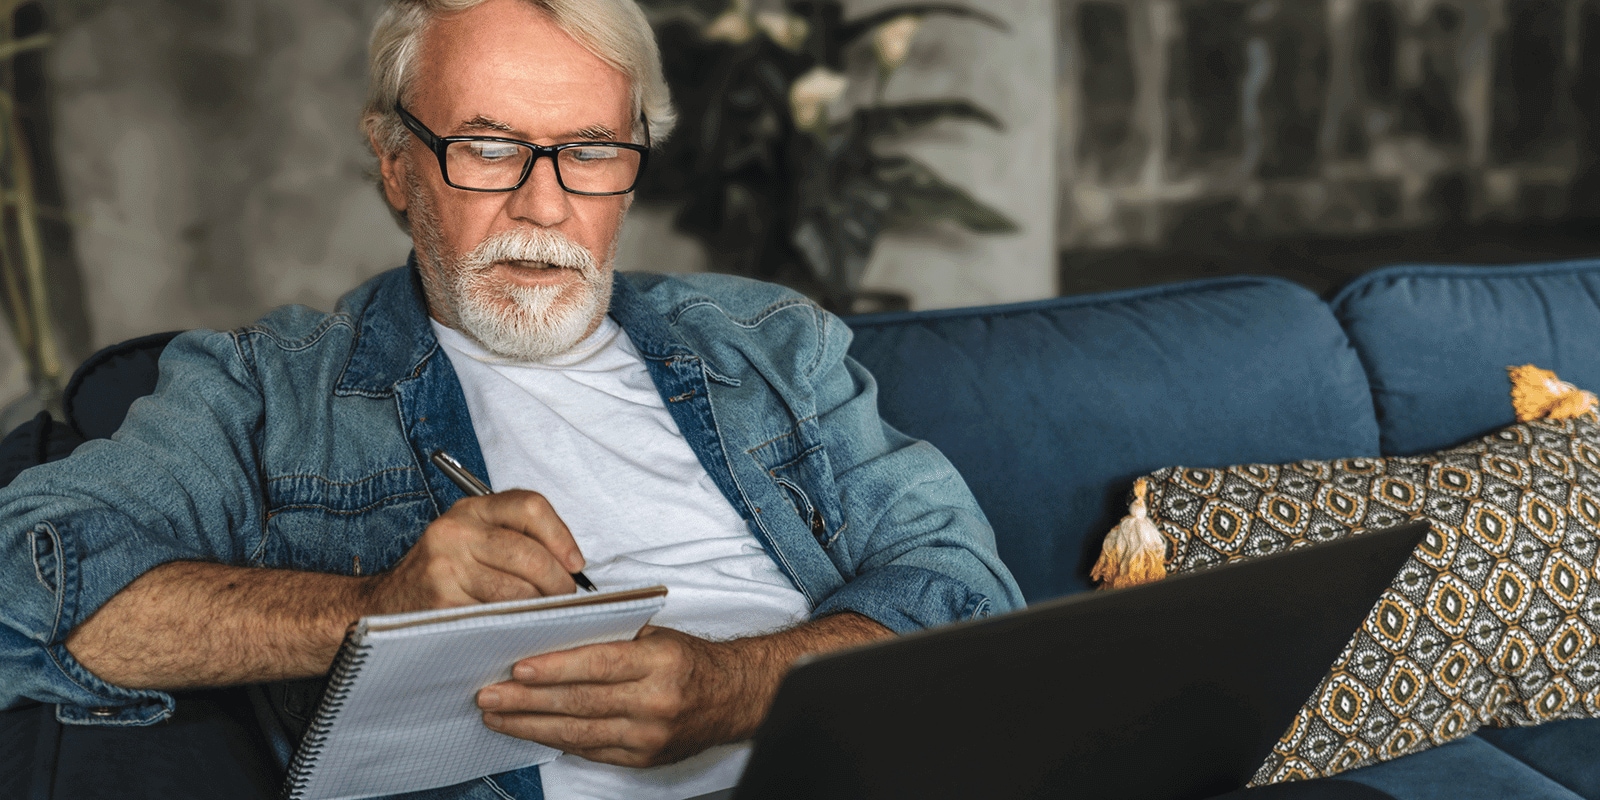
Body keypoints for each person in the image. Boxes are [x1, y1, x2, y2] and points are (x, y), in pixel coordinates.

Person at [0, 0, 1023, 797]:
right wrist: (371, 612)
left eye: (588, 150)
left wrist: (739, 687)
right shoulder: (271, 384)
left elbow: (965, 587)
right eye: (488, 146)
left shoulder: (771, 342)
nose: (544, 204)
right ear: (398, 166)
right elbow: (26, 589)